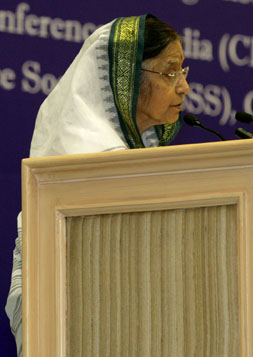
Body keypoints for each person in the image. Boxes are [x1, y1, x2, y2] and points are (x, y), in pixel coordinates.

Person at [5, 14, 190, 356]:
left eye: (182, 71)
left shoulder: (128, 154)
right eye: (170, 71)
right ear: (128, 77)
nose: (183, 87)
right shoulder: (88, 155)